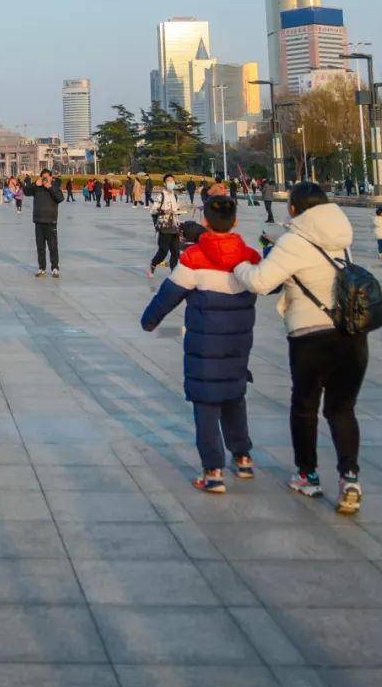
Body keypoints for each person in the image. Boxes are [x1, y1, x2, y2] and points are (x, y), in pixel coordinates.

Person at [233, 181, 367, 514]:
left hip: (311, 336)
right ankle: (350, 477)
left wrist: (240, 266)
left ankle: (308, 475)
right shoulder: (341, 238)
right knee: (342, 408)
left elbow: (262, 282)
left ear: (293, 209)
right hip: (352, 334)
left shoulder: (293, 241)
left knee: (305, 407)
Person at [141, 195, 259, 492]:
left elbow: (168, 295)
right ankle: (243, 457)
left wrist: (150, 321)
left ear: (205, 222)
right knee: (234, 396)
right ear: (235, 222)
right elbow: (271, 281)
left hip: (204, 347)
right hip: (238, 344)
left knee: (206, 403)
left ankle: (213, 471)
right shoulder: (248, 256)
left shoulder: (194, 257)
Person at [24, 168, 64, 280]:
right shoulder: (37, 188)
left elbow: (60, 198)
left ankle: (55, 268)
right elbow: (25, 191)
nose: (45, 180)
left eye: (47, 177)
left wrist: (50, 187)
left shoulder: (54, 187)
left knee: (53, 246)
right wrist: (35, 184)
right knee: (40, 247)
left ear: (51, 177)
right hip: (39, 221)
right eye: (43, 177)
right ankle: (42, 268)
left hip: (51, 221)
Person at [149, 176, 182, 278]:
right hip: (165, 227)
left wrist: (180, 210)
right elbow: (153, 210)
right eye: (168, 181)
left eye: (172, 181)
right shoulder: (161, 196)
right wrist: (165, 211)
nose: (171, 183)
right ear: (164, 183)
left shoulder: (175, 196)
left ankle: (173, 272)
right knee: (163, 251)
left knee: (175, 252)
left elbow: (177, 210)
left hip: (175, 227)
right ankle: (154, 263)